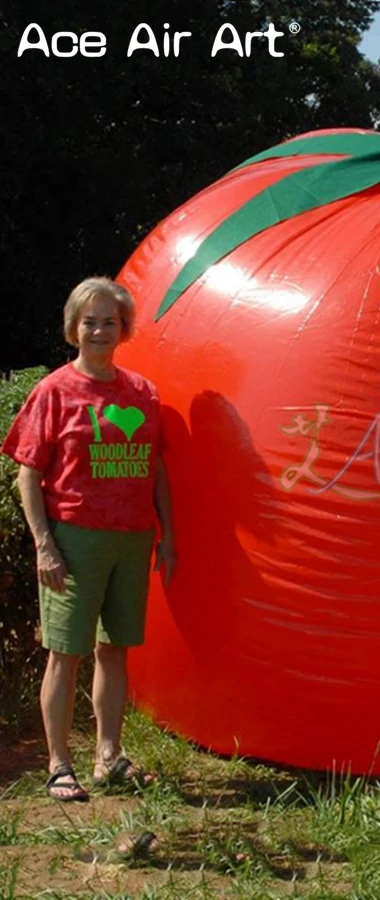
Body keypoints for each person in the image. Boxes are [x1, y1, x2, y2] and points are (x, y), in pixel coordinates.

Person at [2, 277, 176, 802]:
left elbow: (156, 468)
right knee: (65, 654)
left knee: (114, 650)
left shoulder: (142, 392)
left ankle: (109, 756)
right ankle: (59, 765)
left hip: (132, 538)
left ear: (123, 330)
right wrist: (43, 544)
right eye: (89, 321)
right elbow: (26, 473)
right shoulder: (54, 391)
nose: (99, 330)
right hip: (74, 539)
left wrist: (168, 534)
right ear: (73, 327)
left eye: (109, 322)